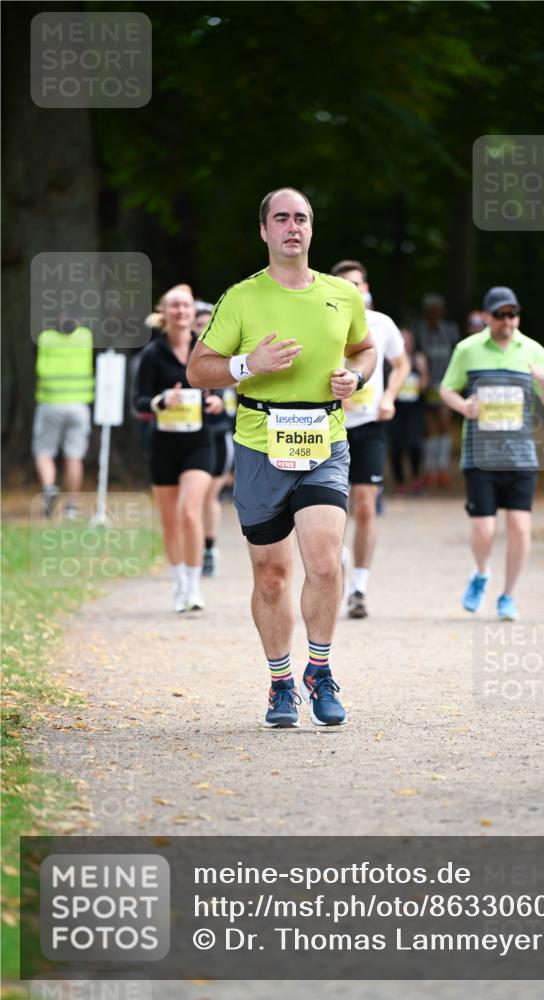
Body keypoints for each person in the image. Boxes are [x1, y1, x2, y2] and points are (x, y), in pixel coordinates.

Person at [187, 188, 377, 728]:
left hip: (325, 436)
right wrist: (250, 364)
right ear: (264, 231)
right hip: (258, 443)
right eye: (281, 218)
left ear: (311, 230)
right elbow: (199, 370)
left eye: (302, 218)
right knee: (271, 575)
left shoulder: (343, 294)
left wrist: (355, 377)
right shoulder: (241, 298)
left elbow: (365, 348)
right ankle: (279, 684)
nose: (292, 226)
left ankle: (319, 670)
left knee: (322, 560)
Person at [440, 286, 544, 620]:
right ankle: (481, 573)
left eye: (512, 314)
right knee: (485, 530)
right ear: (486, 317)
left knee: (521, 528)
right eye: (500, 315)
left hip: (521, 455)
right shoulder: (468, 349)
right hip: (480, 454)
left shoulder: (533, 351)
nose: (507, 321)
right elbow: (446, 389)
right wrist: (464, 406)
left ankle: (508, 596)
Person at [133, 284, 223, 613]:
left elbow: (220, 396)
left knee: (190, 511)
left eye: (186, 306)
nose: (181, 312)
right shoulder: (152, 354)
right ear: (164, 312)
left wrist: (215, 403)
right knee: (170, 521)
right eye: (175, 306)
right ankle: (179, 582)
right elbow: (139, 401)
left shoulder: (206, 349)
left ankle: (196, 585)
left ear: (192, 311)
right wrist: (160, 400)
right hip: (163, 445)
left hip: (199, 443)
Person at [330, 259, 410, 619]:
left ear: (366, 288)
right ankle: (340, 556)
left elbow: (403, 364)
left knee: (364, 506)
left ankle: (359, 588)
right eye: (345, 285)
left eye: (358, 285)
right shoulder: (323, 321)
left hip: (370, 426)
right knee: (331, 511)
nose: (354, 291)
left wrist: (390, 395)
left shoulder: (382, 324)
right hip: (329, 427)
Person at [32, 315, 94, 518]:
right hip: (78, 405)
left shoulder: (45, 338)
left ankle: (49, 487)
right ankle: (71, 507)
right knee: (74, 456)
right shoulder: (85, 337)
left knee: (44, 452)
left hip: (50, 403)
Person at [193, 301, 237, 577]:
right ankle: (192, 551)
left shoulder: (232, 359)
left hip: (220, 435)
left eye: (207, 325)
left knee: (208, 496)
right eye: (198, 326)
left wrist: (223, 405)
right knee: (191, 500)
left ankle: (209, 549)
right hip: (188, 438)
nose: (202, 330)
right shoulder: (184, 359)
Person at [415, 293, 460, 489]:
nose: (434, 313)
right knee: (428, 428)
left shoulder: (450, 331)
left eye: (437, 309)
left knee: (444, 425)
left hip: (446, 385)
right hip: (426, 386)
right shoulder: (419, 331)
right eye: (430, 310)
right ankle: (429, 469)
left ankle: (442, 469)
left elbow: (458, 355)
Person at [389, 328, 429, 496]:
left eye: (408, 340)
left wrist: (420, 382)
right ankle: (399, 482)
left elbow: (425, 383)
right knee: (396, 448)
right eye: (402, 340)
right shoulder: (391, 359)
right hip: (396, 410)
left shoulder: (419, 359)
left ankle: (415, 477)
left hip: (414, 410)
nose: (405, 343)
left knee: (415, 445)